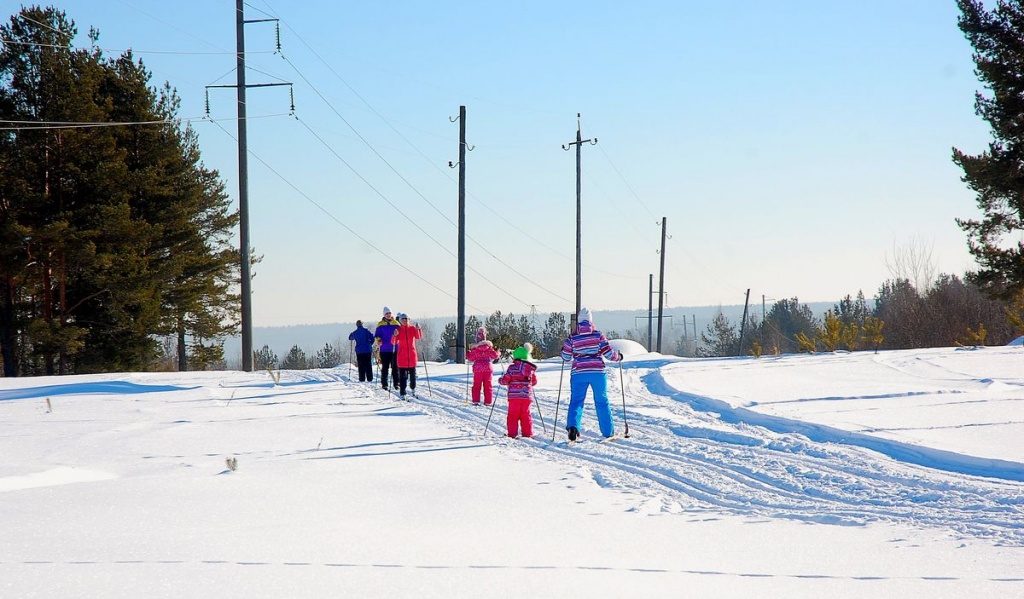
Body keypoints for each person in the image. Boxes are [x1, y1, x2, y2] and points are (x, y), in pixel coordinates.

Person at [560, 307, 623, 440]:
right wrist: (618, 356)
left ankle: (573, 427)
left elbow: (566, 357)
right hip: (597, 373)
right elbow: (609, 354)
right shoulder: (598, 335)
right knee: (602, 401)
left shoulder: (572, 337)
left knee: (576, 401)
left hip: (578, 373)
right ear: (590, 321)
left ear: (578, 321)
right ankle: (608, 432)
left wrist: (564, 351)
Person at [498, 343, 538, 438]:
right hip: (526, 396)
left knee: (513, 415)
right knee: (525, 415)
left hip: (514, 396)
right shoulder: (530, 369)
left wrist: (501, 380)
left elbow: (506, 380)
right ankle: (527, 433)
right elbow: (534, 382)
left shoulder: (512, 368)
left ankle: (512, 434)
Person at [466, 326, 499, 406]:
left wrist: (467, 353)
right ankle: (488, 401)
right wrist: (498, 352)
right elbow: (495, 356)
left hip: (478, 368)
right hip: (488, 367)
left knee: (477, 385)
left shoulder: (475, 349)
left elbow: (470, 358)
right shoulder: (489, 347)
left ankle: (476, 401)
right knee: (488, 385)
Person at [393, 312, 423, 398]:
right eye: (403, 319)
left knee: (413, 378)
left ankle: (413, 389)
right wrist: (394, 335)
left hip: (412, 357)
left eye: (406, 319)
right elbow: (393, 342)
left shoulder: (412, 328)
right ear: (400, 321)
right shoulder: (398, 330)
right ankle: (402, 393)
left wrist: (418, 329)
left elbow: (418, 337)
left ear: (409, 320)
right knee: (403, 378)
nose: (405, 321)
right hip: (402, 357)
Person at [375, 307, 401, 391]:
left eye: (389, 313)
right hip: (384, 349)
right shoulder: (380, 324)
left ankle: (396, 383)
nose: (388, 315)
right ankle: (384, 384)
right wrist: (378, 340)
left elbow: (401, 334)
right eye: (386, 314)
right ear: (384, 315)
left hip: (394, 348)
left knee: (395, 367)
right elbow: (377, 335)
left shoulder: (396, 323)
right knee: (385, 367)